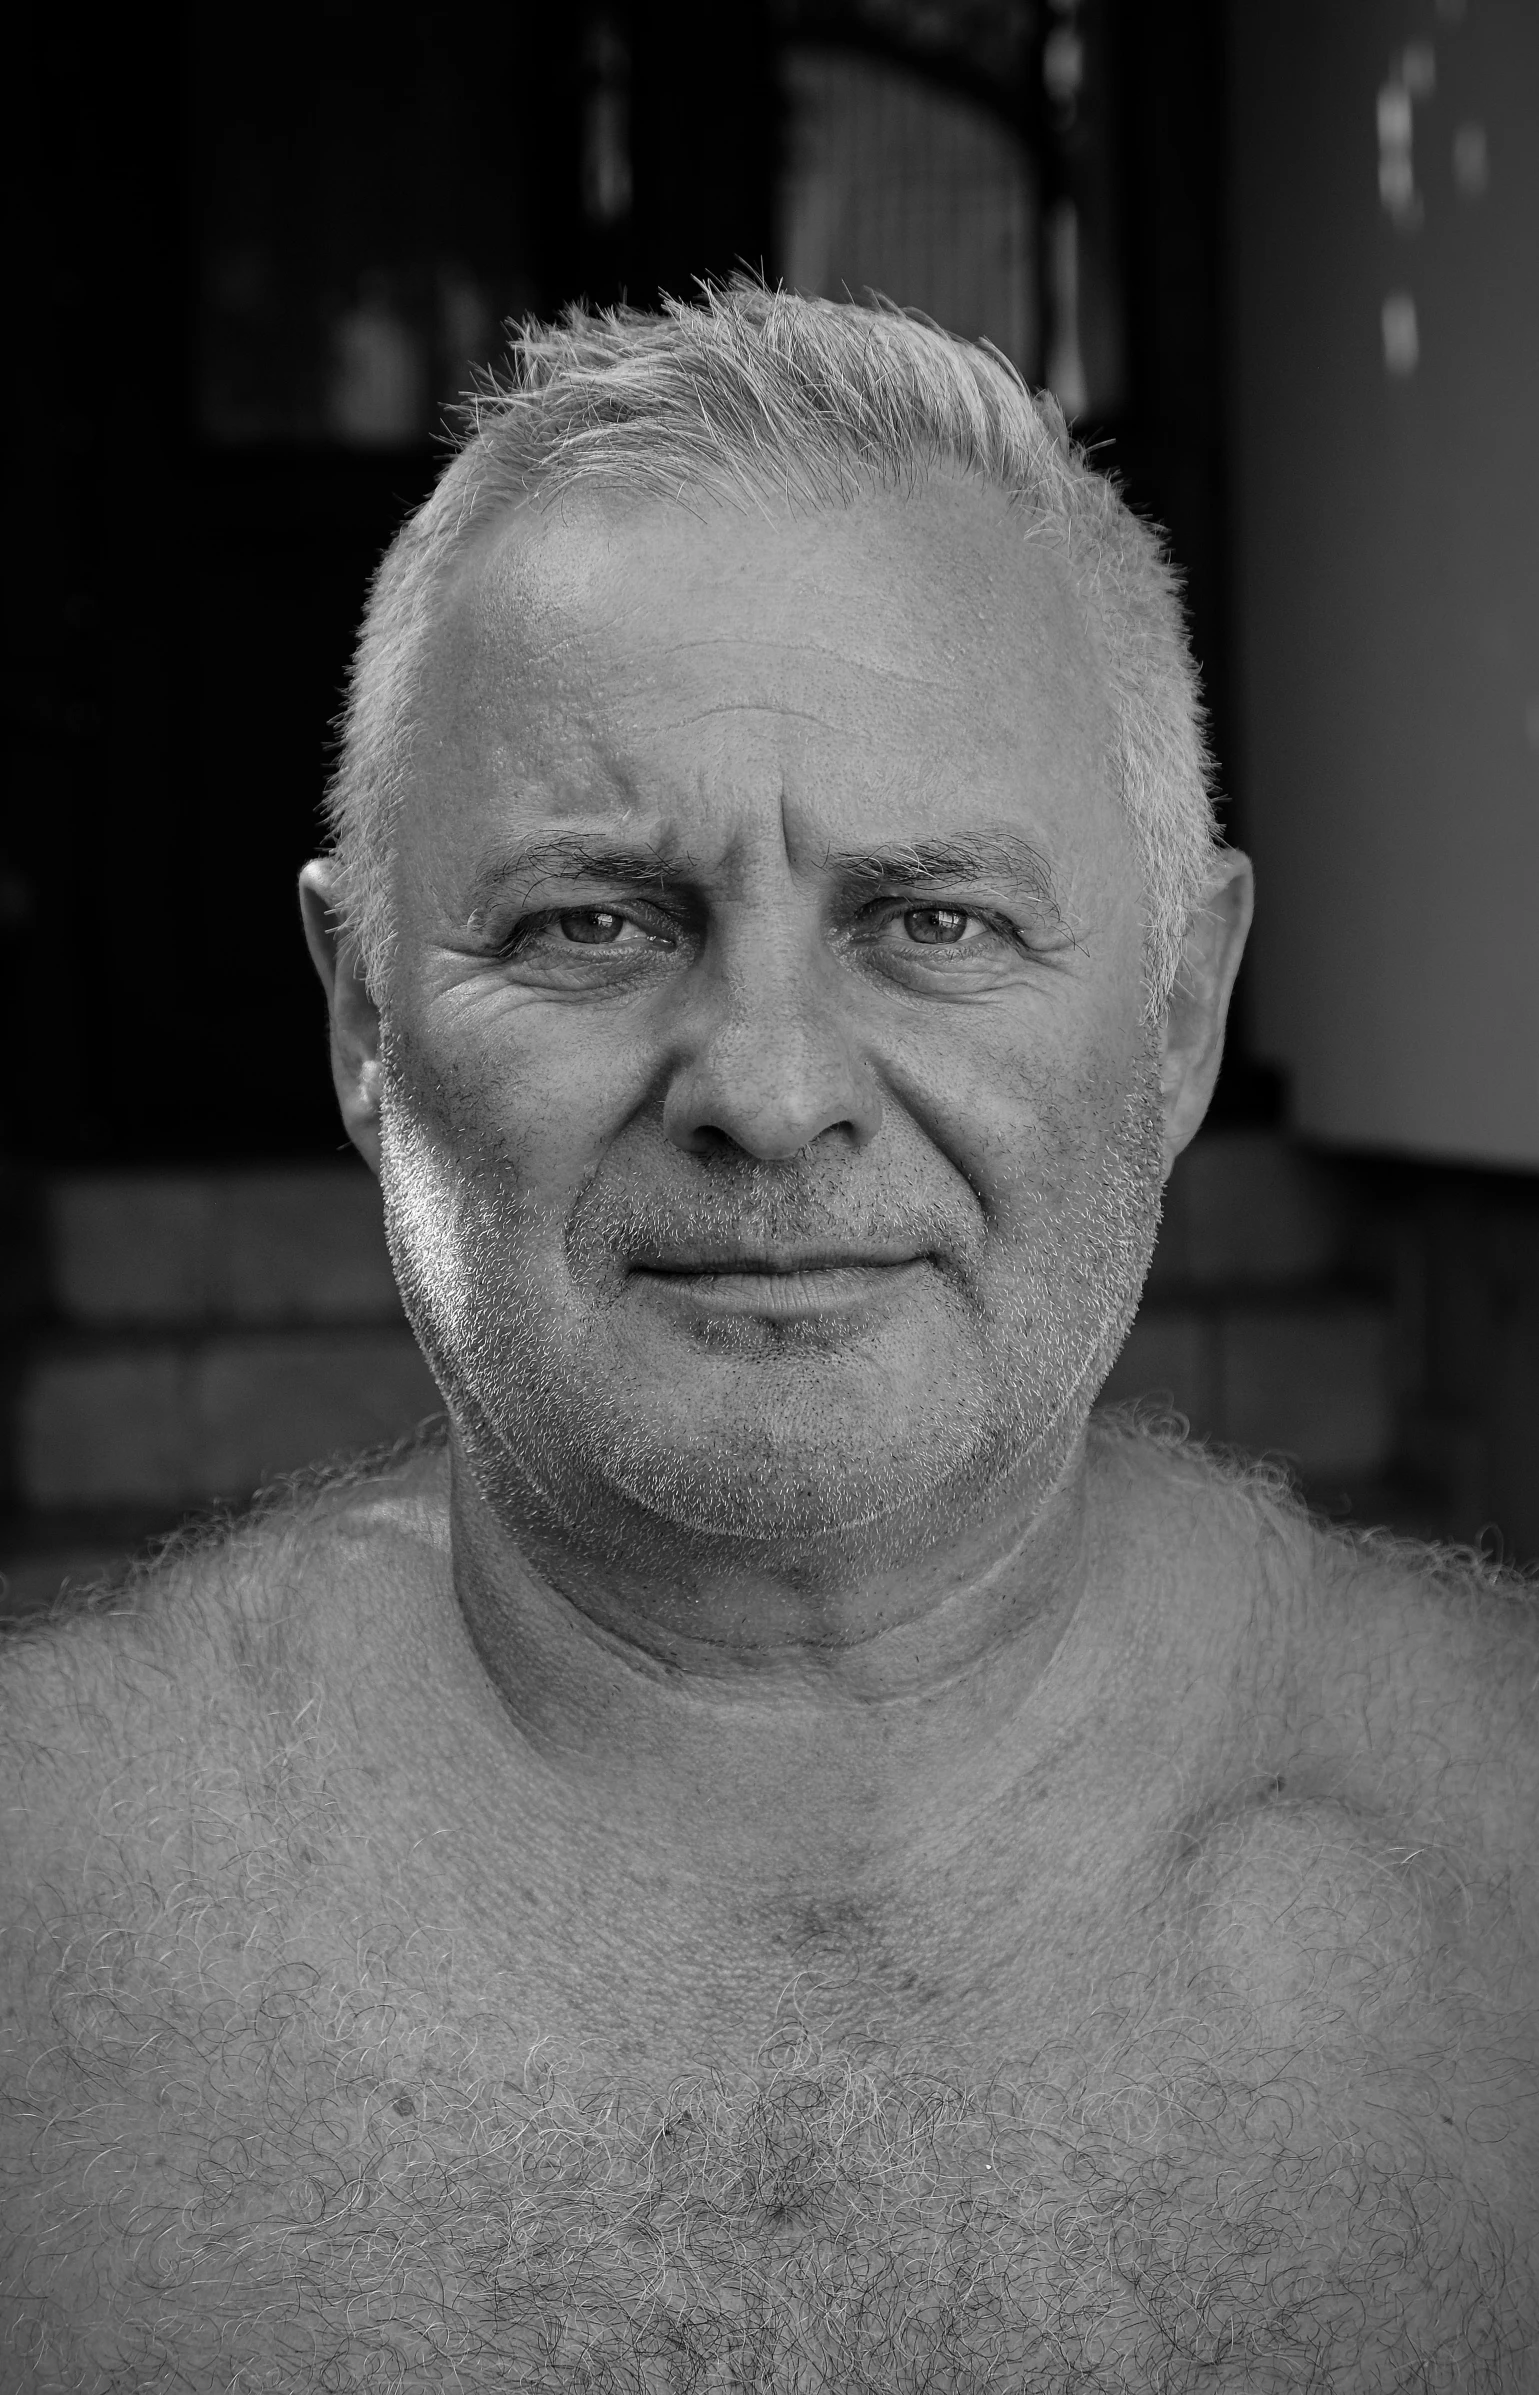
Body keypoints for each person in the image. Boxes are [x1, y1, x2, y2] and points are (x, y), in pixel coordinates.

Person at [2, 284, 1535, 2390]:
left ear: (1179, 1013)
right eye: (592, 920)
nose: (770, 1084)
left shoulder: (1504, 1879)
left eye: (932, 921)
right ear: (364, 1019)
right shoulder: (38, 1940)